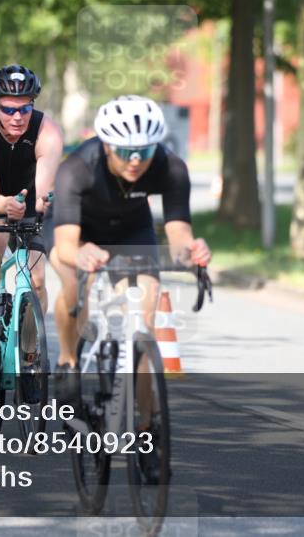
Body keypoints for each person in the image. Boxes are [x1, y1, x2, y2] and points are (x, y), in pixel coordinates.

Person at [48, 95, 211, 404]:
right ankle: (67, 361)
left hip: (130, 229)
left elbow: (178, 234)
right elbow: (66, 245)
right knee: (74, 284)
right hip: (78, 231)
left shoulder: (170, 167)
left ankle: (146, 429)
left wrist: (190, 251)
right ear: (106, 145)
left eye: (144, 152)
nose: (135, 161)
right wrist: (82, 253)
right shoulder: (78, 168)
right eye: (125, 152)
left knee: (144, 320)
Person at [0, 64, 63, 367]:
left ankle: (29, 350)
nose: (17, 117)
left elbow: (42, 193)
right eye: (8, 109)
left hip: (27, 195)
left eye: (25, 108)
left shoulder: (48, 132)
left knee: (39, 278)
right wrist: (3, 205)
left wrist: (39, 207)